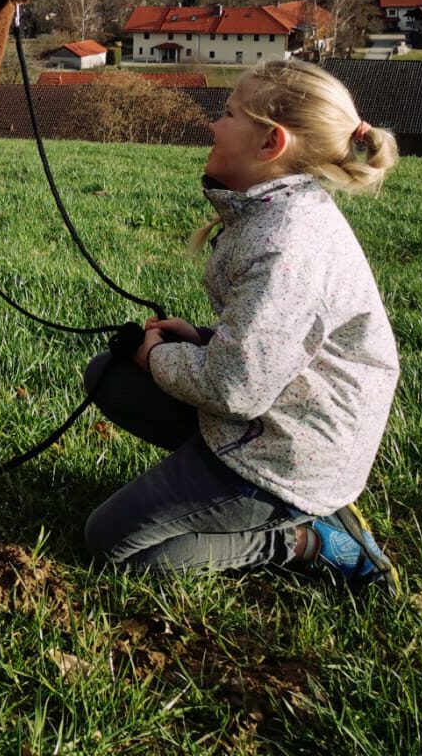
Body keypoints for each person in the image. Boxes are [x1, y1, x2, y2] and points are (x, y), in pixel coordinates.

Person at [84, 60, 401, 594]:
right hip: (279, 418)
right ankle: (221, 493)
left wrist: (155, 357)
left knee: (113, 543)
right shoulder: (275, 209)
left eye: (228, 114)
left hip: (292, 453)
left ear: (270, 143)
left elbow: (235, 388)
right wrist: (202, 340)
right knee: (108, 375)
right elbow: (273, 348)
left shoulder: (287, 245)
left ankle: (310, 538)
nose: (213, 124)